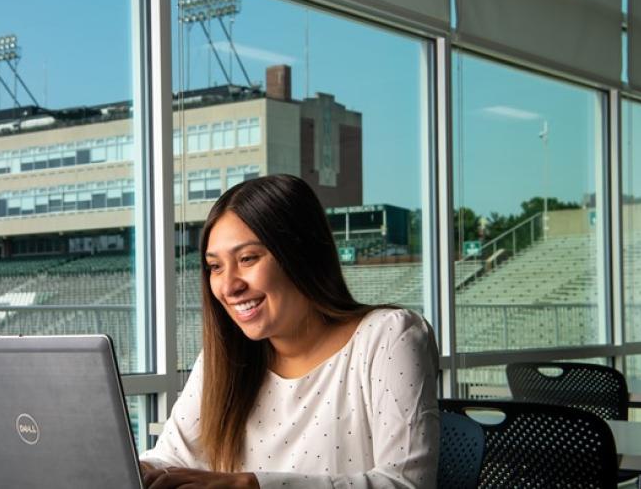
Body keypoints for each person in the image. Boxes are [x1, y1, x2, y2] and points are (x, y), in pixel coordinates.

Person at [139, 174, 439, 488]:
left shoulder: (390, 336)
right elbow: (171, 458)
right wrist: (131, 468)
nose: (228, 286)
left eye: (247, 258)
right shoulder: (224, 357)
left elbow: (407, 484)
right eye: (215, 266)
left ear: (302, 254)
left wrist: (252, 485)